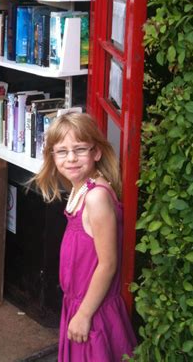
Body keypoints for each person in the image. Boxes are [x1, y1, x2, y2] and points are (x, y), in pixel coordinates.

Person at [34, 112, 136, 361]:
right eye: (62, 151)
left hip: (94, 310)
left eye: (79, 149)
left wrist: (84, 315)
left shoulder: (96, 197)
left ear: (96, 153)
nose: (71, 158)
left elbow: (108, 264)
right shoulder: (81, 188)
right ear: (52, 155)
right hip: (80, 304)